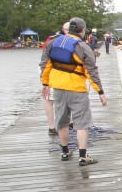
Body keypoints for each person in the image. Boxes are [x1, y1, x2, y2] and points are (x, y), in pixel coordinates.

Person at [40, 16, 106, 166]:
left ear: (68, 30)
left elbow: (46, 65)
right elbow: (91, 71)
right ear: (82, 31)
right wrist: (100, 92)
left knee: (62, 121)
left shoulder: (52, 43)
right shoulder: (83, 47)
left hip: (58, 89)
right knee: (81, 123)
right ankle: (83, 156)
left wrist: (45, 84)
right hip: (77, 89)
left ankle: (65, 152)